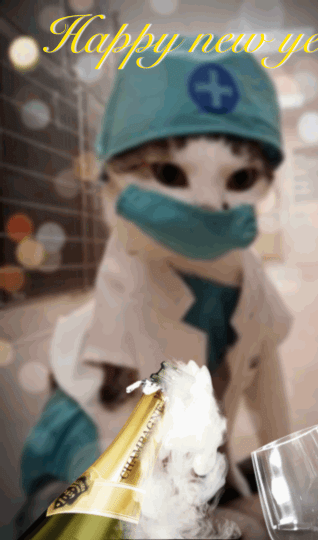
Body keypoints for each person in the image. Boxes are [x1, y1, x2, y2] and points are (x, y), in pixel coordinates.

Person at [16, 35, 293, 537]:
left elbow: (263, 365)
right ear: (111, 174)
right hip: (102, 440)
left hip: (195, 450)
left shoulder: (247, 272)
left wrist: (287, 469)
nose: (209, 203)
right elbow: (127, 428)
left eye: (239, 178)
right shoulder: (131, 271)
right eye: (169, 171)